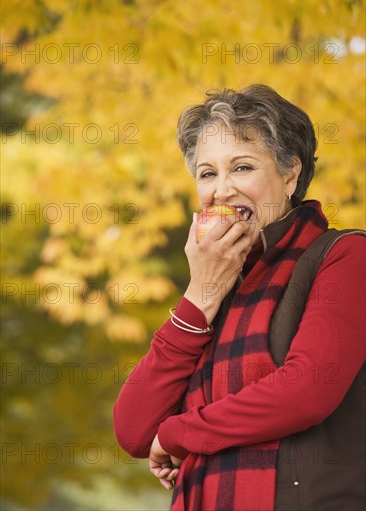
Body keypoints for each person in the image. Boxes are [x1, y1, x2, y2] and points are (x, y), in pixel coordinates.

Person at [113, 84, 365, 511]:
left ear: (290, 175)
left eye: (242, 167)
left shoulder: (344, 256)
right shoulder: (217, 281)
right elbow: (134, 430)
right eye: (208, 174)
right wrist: (200, 293)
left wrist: (179, 434)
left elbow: (306, 391)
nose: (223, 190)